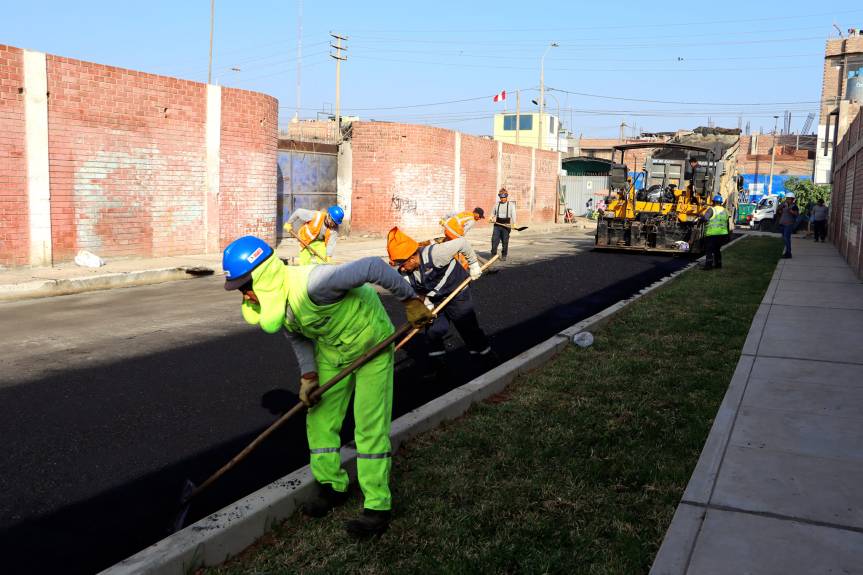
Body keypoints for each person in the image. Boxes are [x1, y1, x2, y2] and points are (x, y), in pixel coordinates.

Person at [222, 235, 433, 537]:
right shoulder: (281, 300)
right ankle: (333, 486)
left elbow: (373, 266)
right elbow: (297, 336)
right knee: (320, 419)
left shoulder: (316, 283)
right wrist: (309, 377)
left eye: (245, 286)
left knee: (368, 425)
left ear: (262, 276)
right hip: (333, 352)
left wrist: (410, 300)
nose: (245, 295)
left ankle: (377, 506)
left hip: (371, 342)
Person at [386, 227, 493, 369]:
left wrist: (473, 264)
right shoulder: (405, 273)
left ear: (412, 258)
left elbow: (462, 243)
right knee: (433, 331)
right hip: (436, 298)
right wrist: (427, 303)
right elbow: (415, 290)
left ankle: (486, 359)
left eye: (403, 264)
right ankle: (438, 365)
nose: (402, 268)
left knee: (467, 327)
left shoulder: (436, 254)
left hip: (457, 292)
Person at [700, 194, 730, 270]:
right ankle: (718, 264)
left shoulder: (711, 209)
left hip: (712, 234)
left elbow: (706, 219)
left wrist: (701, 217)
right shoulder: (725, 211)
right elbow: (727, 223)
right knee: (717, 249)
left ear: (713, 202)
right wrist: (728, 234)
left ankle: (708, 266)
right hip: (723, 234)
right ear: (721, 202)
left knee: (709, 250)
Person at [490, 188, 517, 261]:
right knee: (494, 240)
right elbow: (493, 213)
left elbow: (513, 214)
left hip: (506, 225)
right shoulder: (496, 204)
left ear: (506, 197)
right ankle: (493, 254)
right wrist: (491, 217)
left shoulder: (511, 205)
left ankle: (504, 255)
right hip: (497, 224)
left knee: (505, 241)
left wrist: (514, 223)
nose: (502, 199)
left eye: (504, 197)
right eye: (501, 197)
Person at [776, 192, 800, 258]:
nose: (788, 200)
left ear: (792, 199)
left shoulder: (794, 206)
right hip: (782, 224)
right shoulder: (783, 204)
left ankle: (788, 253)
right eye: (787, 199)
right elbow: (779, 211)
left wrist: (790, 210)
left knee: (787, 238)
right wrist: (779, 209)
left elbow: (796, 214)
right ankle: (787, 252)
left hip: (788, 225)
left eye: (789, 199)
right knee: (784, 238)